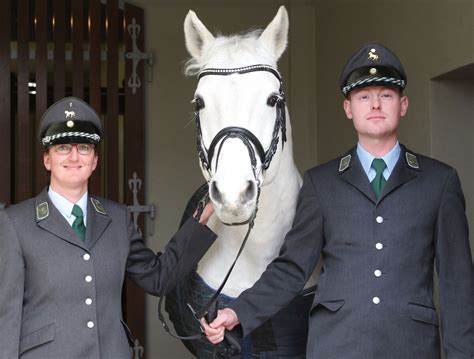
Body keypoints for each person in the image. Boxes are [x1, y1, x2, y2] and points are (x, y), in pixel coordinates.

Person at [203, 43, 474, 358]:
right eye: (363, 97)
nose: (375, 104)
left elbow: (457, 283)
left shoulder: (439, 182)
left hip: (410, 345)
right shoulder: (322, 183)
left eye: (386, 95)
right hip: (336, 345)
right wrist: (238, 313)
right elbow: (292, 268)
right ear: (348, 109)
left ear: (403, 105)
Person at [0, 97, 216, 358]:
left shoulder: (116, 217)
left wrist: (200, 222)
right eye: (62, 148)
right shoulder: (15, 223)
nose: (73, 156)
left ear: (94, 160)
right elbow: (6, 316)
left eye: (83, 148)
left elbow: (158, 278)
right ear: (47, 159)